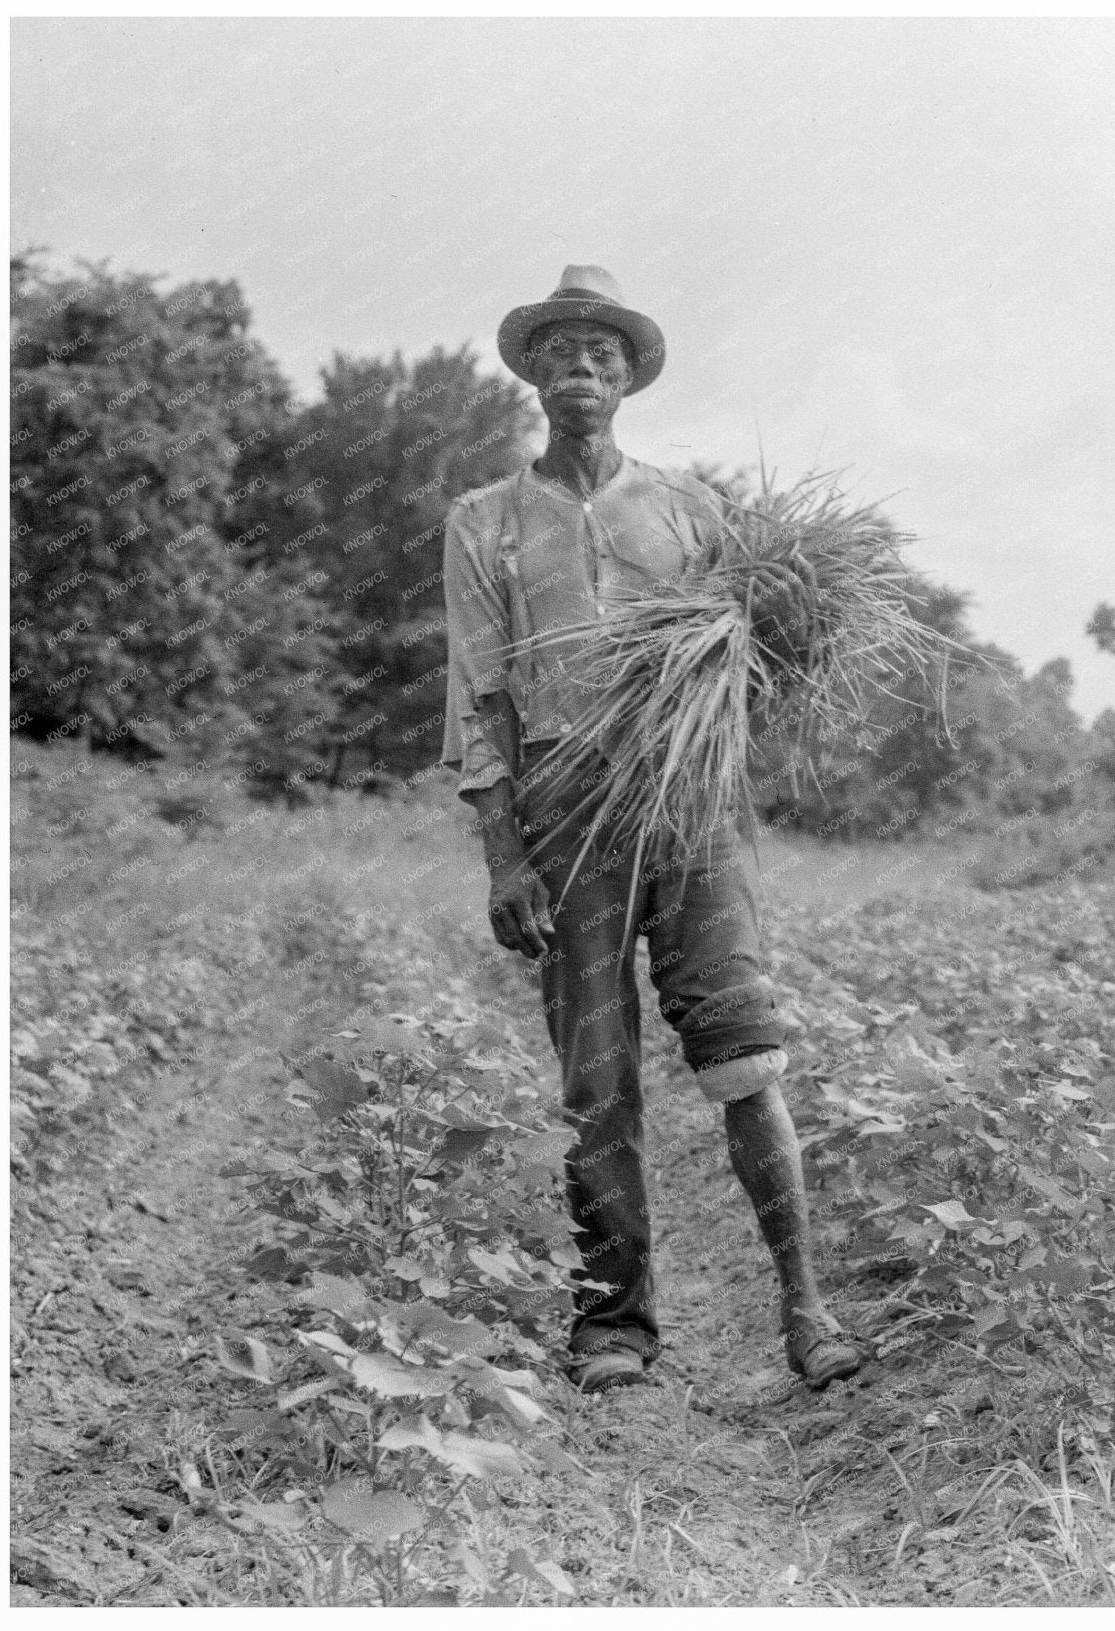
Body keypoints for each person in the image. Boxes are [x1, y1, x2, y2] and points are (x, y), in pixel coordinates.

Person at [441, 265, 863, 1395]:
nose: (581, 370)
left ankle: (806, 1310)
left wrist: (744, 698)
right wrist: (504, 852)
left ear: (627, 378)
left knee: (745, 1056)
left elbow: (758, 649)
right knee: (596, 1078)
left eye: (603, 354)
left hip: (689, 807)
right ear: (532, 373)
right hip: (562, 808)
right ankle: (614, 1324)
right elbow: (477, 694)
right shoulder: (483, 523)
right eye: (562, 352)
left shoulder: (690, 509)